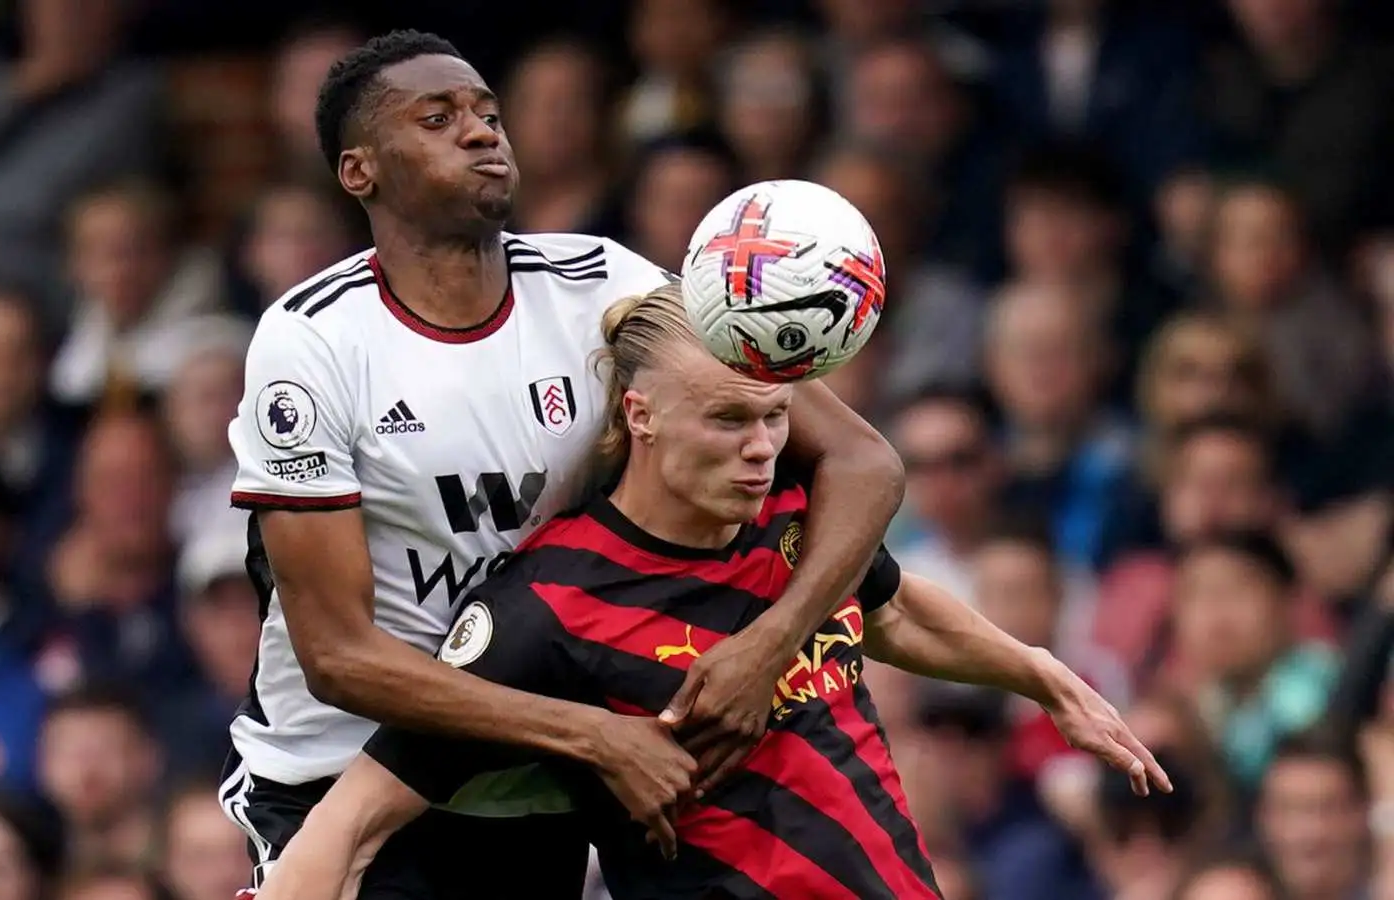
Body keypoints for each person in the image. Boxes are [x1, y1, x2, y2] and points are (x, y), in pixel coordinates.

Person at [223, 29, 909, 898]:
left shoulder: (604, 283)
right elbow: (339, 658)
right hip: (338, 781)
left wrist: (769, 647)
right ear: (359, 172)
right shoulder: (312, 340)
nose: (480, 133)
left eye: (487, 113)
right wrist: (590, 733)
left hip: (538, 795)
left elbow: (862, 460)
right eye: (437, 119)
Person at [255, 284, 1169, 900]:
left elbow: (893, 610)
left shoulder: (797, 526)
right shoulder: (542, 608)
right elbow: (354, 820)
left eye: (774, 417)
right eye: (728, 418)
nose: (762, 447)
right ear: (639, 415)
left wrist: (1041, 676)